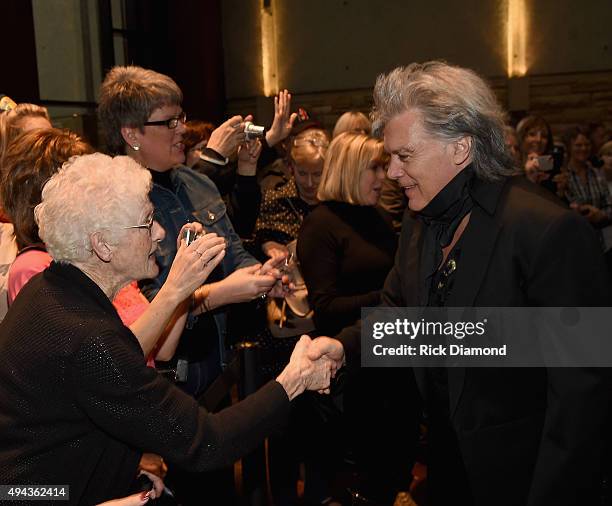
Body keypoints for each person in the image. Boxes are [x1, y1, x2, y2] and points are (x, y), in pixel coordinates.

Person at [307, 61, 612, 506]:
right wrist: (342, 348)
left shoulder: (547, 231)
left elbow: (583, 397)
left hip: (524, 479)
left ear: (461, 148)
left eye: (404, 156)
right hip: (444, 469)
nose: (392, 172)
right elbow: (403, 316)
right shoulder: (419, 219)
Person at [0, 152, 332, 504]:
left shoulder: (52, 289)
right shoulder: (87, 336)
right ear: (103, 245)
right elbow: (207, 442)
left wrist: (120, 466)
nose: (159, 233)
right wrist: (295, 379)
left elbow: (67, 421)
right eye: (146, 222)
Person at [298, 132, 417, 504]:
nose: (385, 177)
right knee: (362, 479)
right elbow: (327, 307)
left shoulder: (378, 217)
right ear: (350, 171)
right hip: (353, 373)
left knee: (393, 473)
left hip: (392, 362)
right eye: (375, 168)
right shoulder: (321, 224)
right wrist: (388, 300)